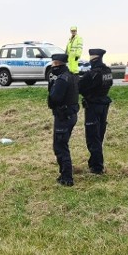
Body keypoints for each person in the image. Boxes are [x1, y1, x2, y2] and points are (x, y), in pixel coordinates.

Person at [77, 48, 113, 174]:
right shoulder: (107, 71)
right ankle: (94, 163)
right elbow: (110, 83)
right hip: (104, 106)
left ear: (93, 58)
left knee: (93, 137)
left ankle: (97, 167)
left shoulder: (92, 74)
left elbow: (79, 87)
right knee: (99, 135)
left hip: (93, 106)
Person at [47, 53, 79, 186]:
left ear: (56, 64)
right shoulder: (71, 76)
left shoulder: (61, 80)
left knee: (60, 146)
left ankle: (66, 177)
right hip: (71, 114)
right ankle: (64, 174)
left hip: (63, 115)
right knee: (62, 144)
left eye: (53, 64)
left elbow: (54, 99)